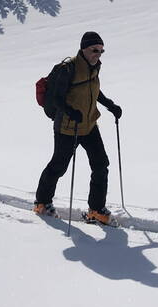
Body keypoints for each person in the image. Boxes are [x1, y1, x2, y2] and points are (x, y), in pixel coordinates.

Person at [33, 31, 122, 225]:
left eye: (101, 51)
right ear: (83, 48)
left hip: (89, 124)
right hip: (67, 127)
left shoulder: (94, 67)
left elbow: (94, 90)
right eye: (94, 50)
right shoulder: (68, 68)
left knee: (101, 165)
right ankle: (42, 203)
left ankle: (96, 210)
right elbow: (56, 97)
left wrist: (110, 105)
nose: (98, 54)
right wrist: (70, 111)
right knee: (58, 166)